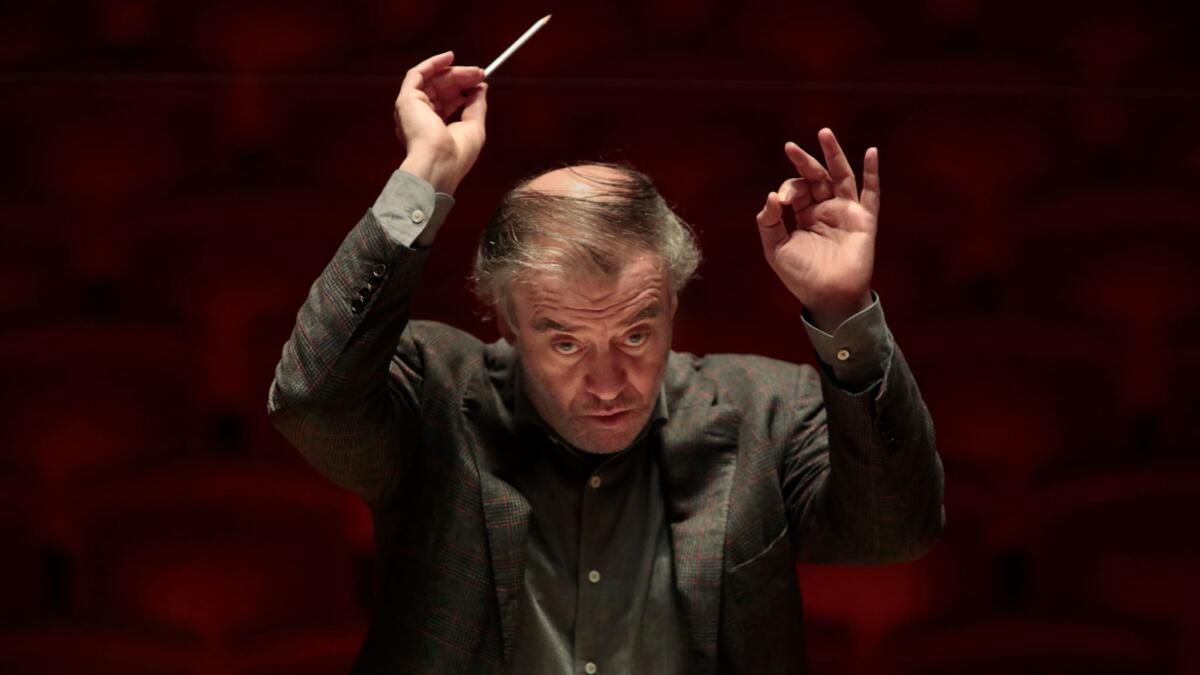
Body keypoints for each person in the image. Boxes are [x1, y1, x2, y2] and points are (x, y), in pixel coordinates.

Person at [268, 51, 944, 675]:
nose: (608, 382)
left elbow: (897, 527)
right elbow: (311, 399)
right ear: (506, 321)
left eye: (635, 335)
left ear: (672, 304)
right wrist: (426, 174)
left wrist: (841, 308)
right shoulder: (436, 394)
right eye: (565, 342)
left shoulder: (767, 408)